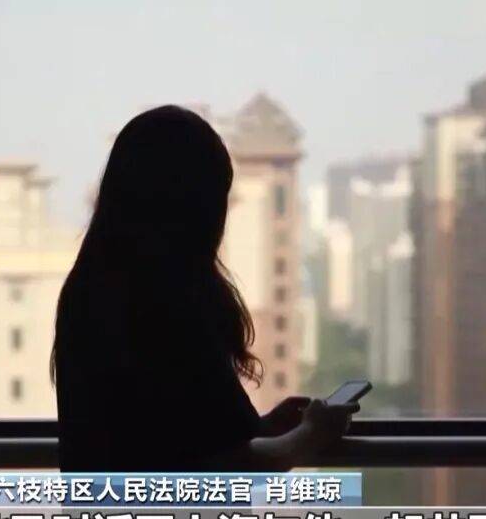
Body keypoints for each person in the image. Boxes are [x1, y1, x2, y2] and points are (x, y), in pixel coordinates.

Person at [51, 105, 358, 472]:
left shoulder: (92, 290)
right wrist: (308, 436)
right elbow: (213, 466)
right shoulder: (165, 303)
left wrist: (262, 429)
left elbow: (174, 439)